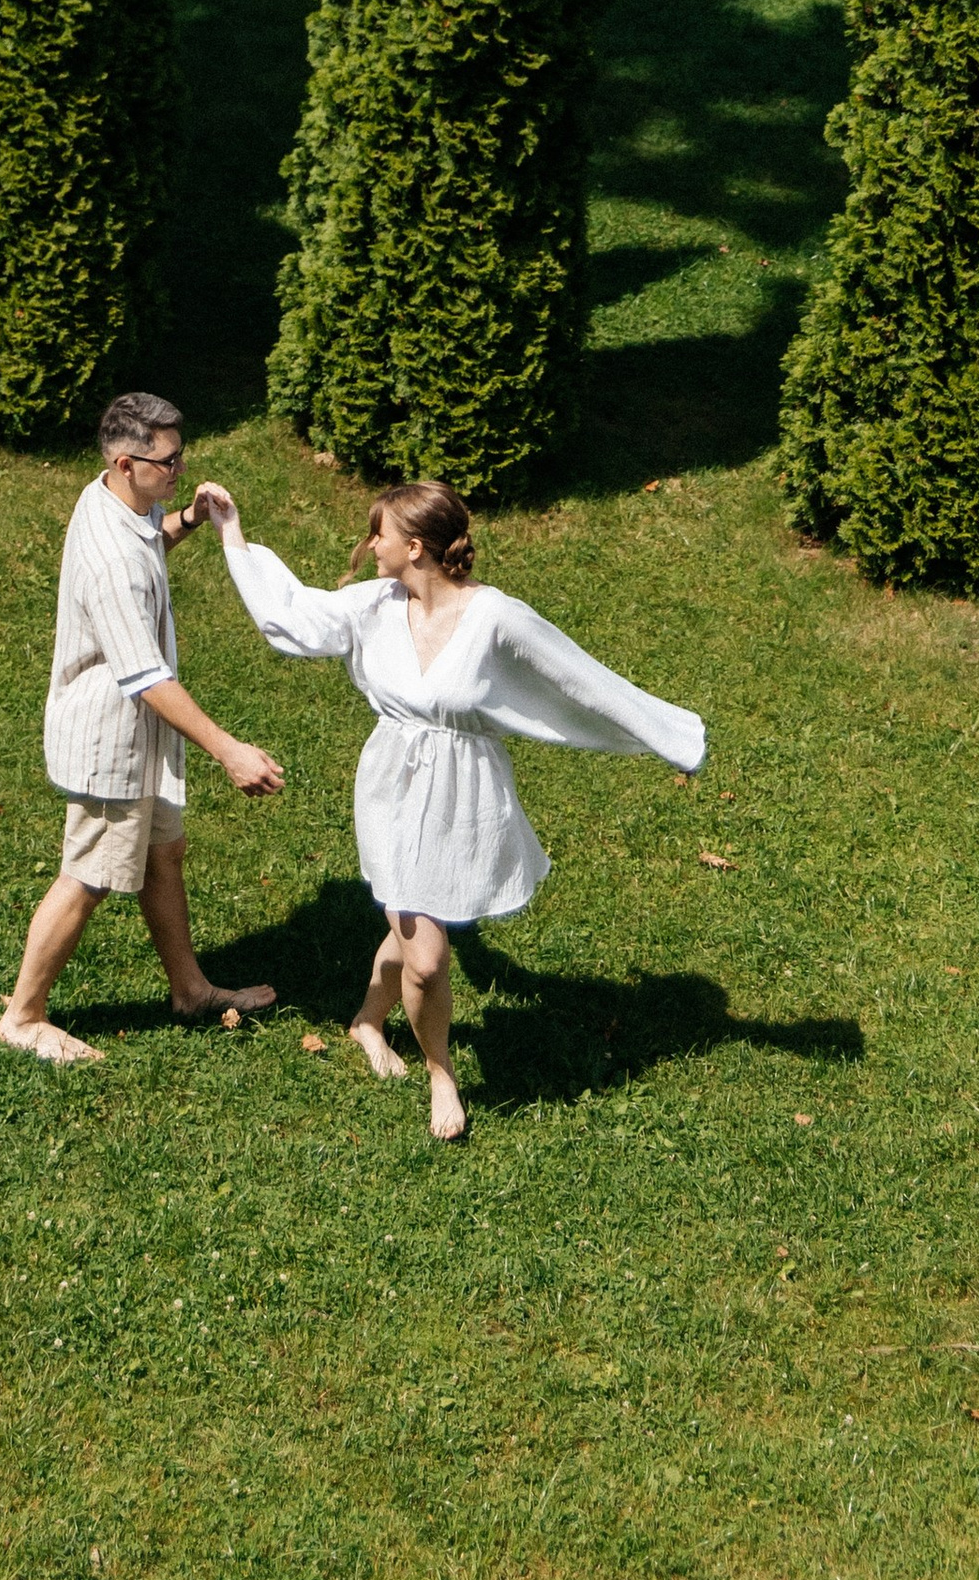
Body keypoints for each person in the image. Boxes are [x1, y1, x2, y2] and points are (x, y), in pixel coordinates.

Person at [191, 475, 704, 1140]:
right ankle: (442, 1074)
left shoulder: (497, 617)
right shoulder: (372, 606)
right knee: (428, 956)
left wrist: (671, 738)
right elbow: (291, 615)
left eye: (381, 533)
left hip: (467, 795)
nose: (370, 543)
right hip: (393, 789)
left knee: (414, 924)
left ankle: (368, 1022)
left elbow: (581, 680)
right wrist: (232, 533)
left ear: (416, 547)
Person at [0, 392, 288, 1068]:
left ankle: (189, 990)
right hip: (111, 741)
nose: (179, 470)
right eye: (170, 462)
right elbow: (145, 677)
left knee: (164, 853)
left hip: (142, 737)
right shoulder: (111, 561)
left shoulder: (115, 498)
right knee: (88, 876)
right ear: (127, 462)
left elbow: (150, 540)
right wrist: (229, 751)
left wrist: (186, 519)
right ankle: (23, 1016)